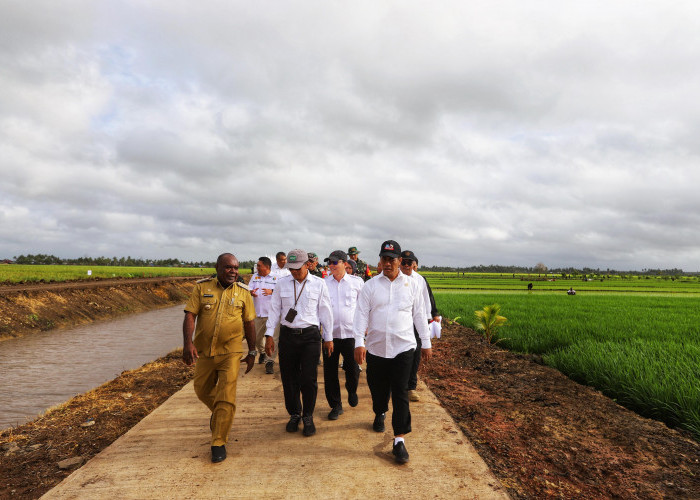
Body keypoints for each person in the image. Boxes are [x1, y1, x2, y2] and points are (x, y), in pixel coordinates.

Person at [353, 240, 431, 464]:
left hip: (403, 347)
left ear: (400, 261)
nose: (387, 263)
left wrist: (426, 342)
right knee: (378, 391)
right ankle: (380, 411)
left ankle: (399, 440)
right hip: (376, 348)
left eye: (392, 259)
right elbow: (360, 315)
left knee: (400, 391)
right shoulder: (371, 286)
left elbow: (419, 315)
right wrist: (359, 342)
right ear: (380, 260)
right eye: (384, 259)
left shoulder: (413, 285)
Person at [182, 253, 257, 463]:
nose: (233, 271)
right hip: (204, 351)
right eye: (228, 267)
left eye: (236, 268)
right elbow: (190, 315)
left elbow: (250, 322)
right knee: (201, 389)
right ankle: (220, 415)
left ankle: (218, 441)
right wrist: (188, 343)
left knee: (226, 395)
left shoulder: (244, 293)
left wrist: (252, 351)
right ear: (217, 267)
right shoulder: (202, 288)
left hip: (231, 352)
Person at [265, 249, 333, 437]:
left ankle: (308, 416)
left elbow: (326, 312)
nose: (294, 272)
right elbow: (274, 309)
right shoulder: (281, 283)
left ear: (307, 265)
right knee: (289, 378)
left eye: (297, 268)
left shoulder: (319, 284)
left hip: (310, 337)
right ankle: (294, 414)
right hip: (288, 336)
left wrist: (328, 337)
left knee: (309, 379)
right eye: (291, 269)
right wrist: (269, 335)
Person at [322, 250, 364, 420]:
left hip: (351, 334)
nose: (331, 266)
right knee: (329, 372)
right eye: (329, 263)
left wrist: (364, 329)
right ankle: (335, 405)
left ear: (344, 264)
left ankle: (351, 388)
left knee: (353, 368)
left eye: (334, 262)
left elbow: (363, 308)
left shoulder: (357, 283)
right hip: (330, 335)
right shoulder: (323, 283)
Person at [399, 250, 440, 402]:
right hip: (400, 323)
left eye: (410, 263)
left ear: (414, 265)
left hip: (415, 322)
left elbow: (426, 299)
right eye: (404, 262)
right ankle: (396, 384)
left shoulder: (419, 280)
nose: (407, 265)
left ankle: (411, 387)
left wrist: (430, 317)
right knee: (399, 353)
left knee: (415, 354)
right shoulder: (392, 279)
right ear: (399, 262)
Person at [249, 257, 278, 365]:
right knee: (256, 338)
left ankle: (270, 361)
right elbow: (249, 288)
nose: (257, 267)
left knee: (273, 339)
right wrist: (251, 292)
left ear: (267, 267)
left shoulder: (276, 278)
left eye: (259, 265)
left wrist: (272, 291)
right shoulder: (255, 276)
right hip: (258, 313)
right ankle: (262, 353)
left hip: (272, 315)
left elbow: (282, 292)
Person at [266, 252, 291, 374]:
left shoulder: (290, 269)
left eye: (285, 260)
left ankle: (289, 362)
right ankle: (270, 360)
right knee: (274, 335)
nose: (284, 262)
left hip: (289, 307)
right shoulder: (271, 270)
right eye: (282, 260)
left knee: (289, 335)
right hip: (275, 305)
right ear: (277, 260)